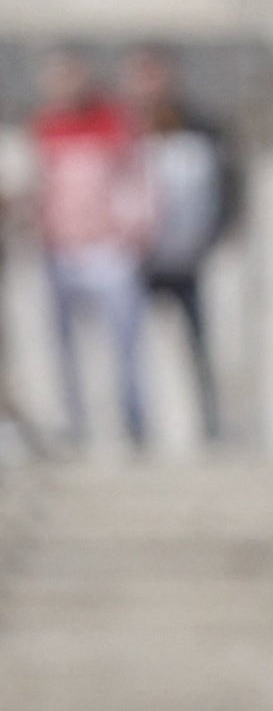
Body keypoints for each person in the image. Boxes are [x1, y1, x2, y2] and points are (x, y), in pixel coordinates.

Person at [30, 47, 151, 452]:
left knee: (124, 343)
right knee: (65, 344)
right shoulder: (45, 126)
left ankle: (133, 420)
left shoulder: (113, 122)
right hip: (62, 249)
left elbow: (138, 180)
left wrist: (131, 232)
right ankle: (74, 421)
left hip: (109, 249)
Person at [124, 45, 234, 444]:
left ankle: (208, 427)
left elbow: (227, 185)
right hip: (138, 261)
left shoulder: (201, 128)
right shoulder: (123, 129)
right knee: (134, 350)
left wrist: (217, 235)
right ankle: (137, 429)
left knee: (198, 348)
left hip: (189, 260)